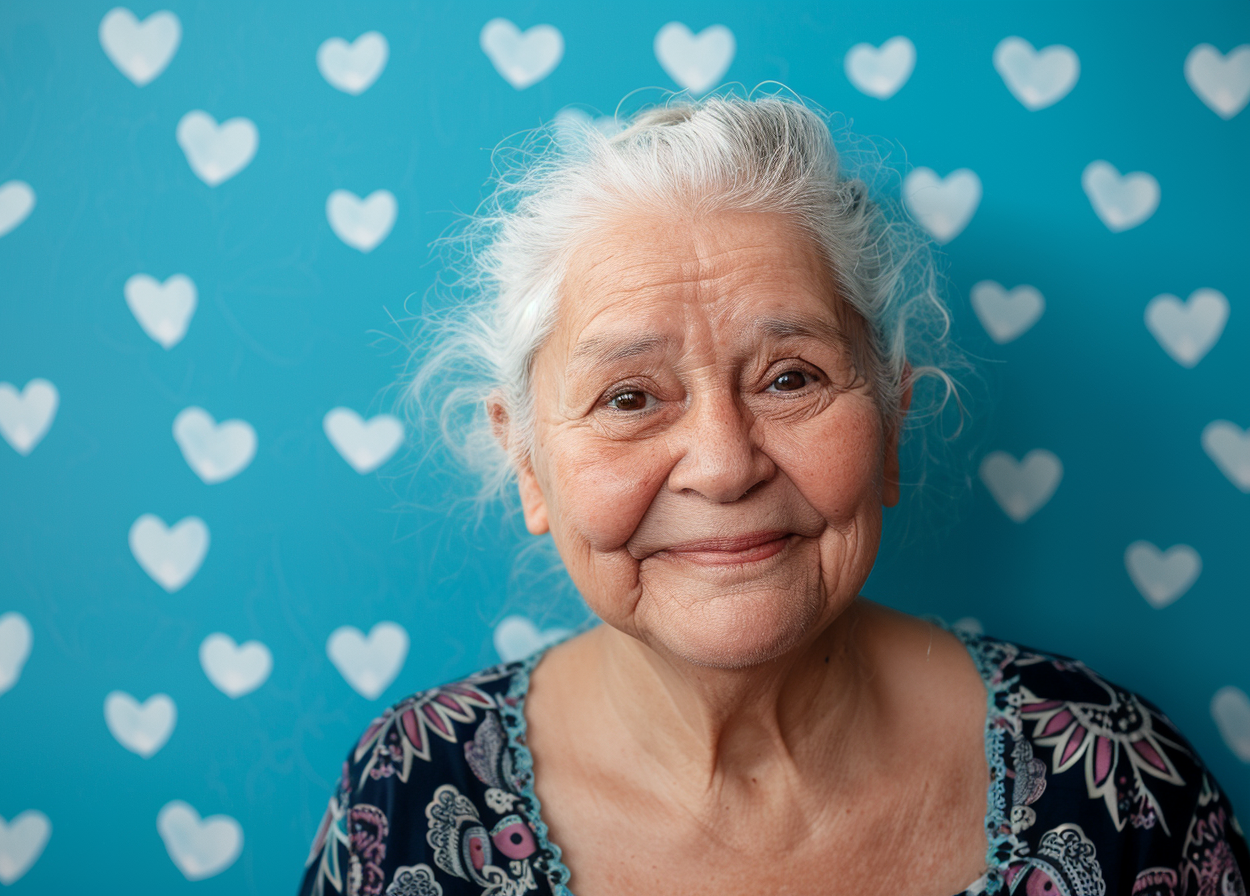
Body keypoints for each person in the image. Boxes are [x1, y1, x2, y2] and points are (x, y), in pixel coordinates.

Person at [297, 94, 1249, 896]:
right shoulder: (412, 793)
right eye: (629, 398)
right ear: (529, 464)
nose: (722, 464)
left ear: (890, 424)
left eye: (790, 378)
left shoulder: (1117, 781)